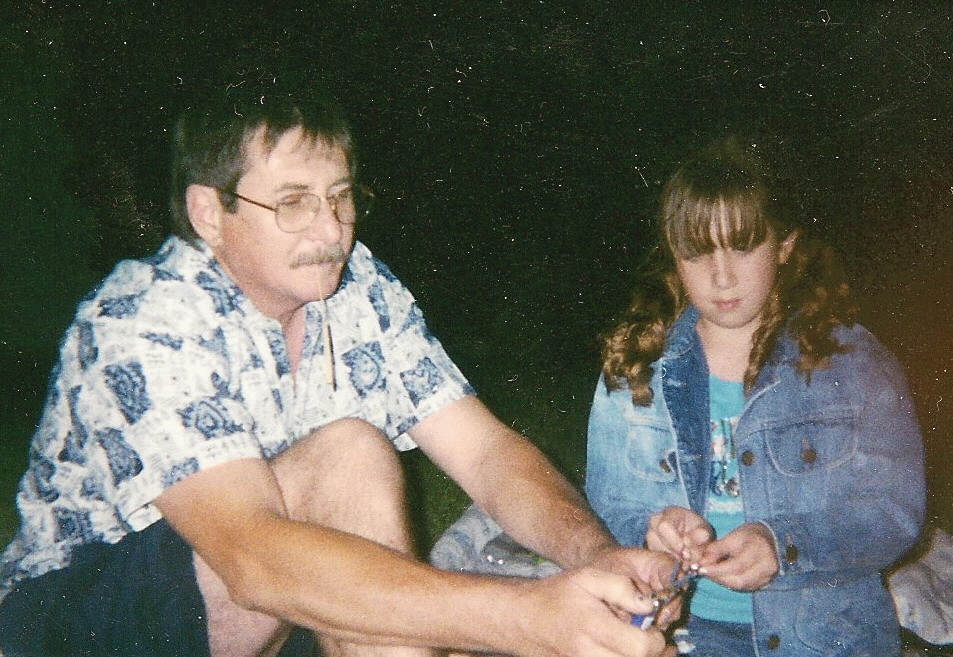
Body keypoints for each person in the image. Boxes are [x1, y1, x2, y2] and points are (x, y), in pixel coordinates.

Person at [0, 78, 679, 657]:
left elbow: (487, 453)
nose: (330, 231)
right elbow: (254, 557)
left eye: (340, 197)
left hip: (258, 609)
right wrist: (530, 616)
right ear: (209, 212)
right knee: (350, 454)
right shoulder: (143, 316)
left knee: (364, 492)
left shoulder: (358, 290)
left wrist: (593, 555)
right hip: (77, 619)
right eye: (293, 202)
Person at [584, 136, 926, 656]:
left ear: (784, 244)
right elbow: (609, 504)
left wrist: (781, 545)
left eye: (743, 246)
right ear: (673, 259)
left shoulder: (854, 364)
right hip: (684, 632)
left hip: (825, 639)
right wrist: (653, 530)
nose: (721, 277)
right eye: (697, 253)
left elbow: (894, 513)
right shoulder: (636, 368)